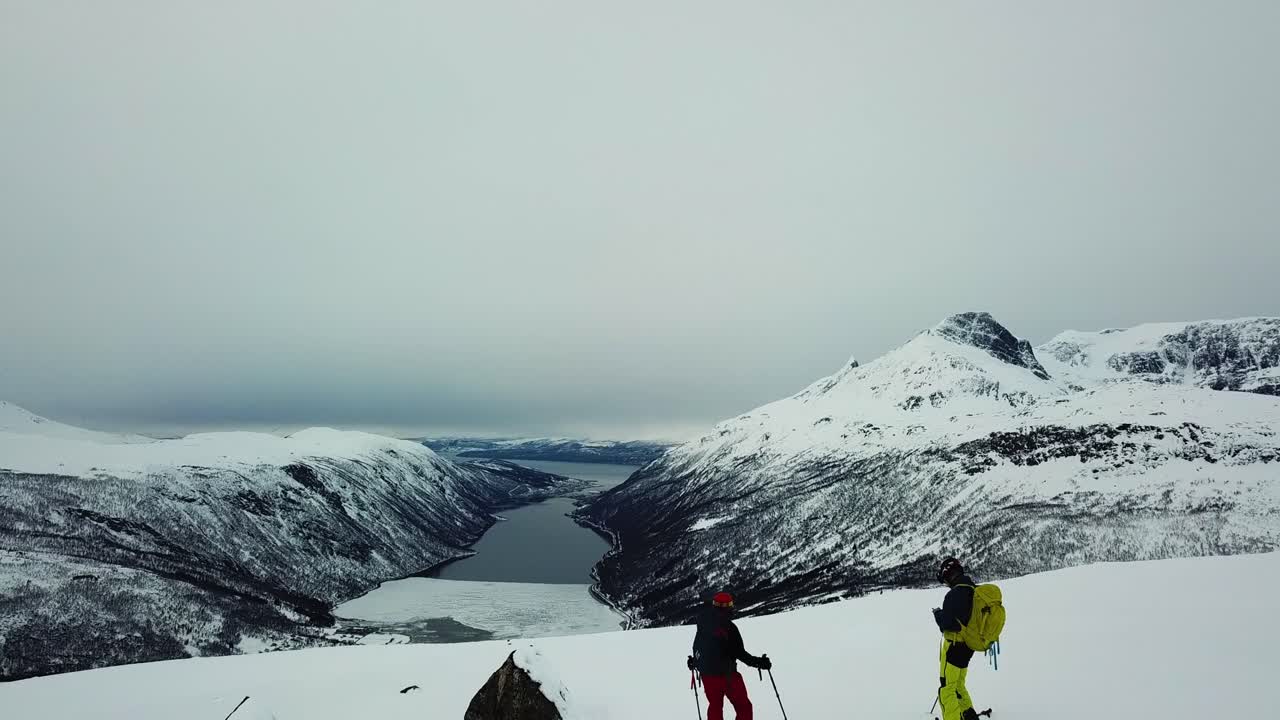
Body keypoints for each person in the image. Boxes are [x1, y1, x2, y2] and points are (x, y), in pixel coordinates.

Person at [686, 591, 771, 720]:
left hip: (708, 676)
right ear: (728, 607)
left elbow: (699, 646)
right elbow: (740, 654)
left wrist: (695, 662)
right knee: (744, 707)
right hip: (728, 676)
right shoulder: (730, 628)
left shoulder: (703, 623)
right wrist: (760, 662)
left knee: (715, 706)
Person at [932, 557, 981, 720]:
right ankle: (969, 715)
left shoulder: (955, 594)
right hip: (968, 647)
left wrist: (939, 615)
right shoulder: (973, 589)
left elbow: (948, 625)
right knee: (958, 685)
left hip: (954, 647)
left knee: (947, 688)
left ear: (948, 574)